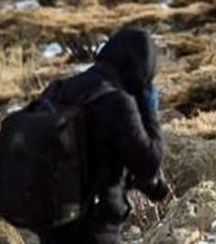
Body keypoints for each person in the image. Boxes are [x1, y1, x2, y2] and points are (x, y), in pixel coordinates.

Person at [36, 27, 169, 244]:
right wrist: (149, 108)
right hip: (94, 225)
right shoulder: (115, 100)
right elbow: (148, 162)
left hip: (52, 220)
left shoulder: (58, 90)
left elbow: (91, 156)